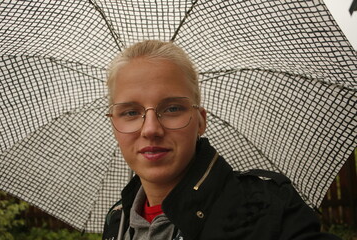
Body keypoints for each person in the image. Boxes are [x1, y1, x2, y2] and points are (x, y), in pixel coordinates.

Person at [102, 40, 340, 240]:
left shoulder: (267, 208)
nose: (151, 129)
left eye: (173, 108)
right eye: (131, 112)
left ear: (201, 121)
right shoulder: (117, 220)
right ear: (113, 123)